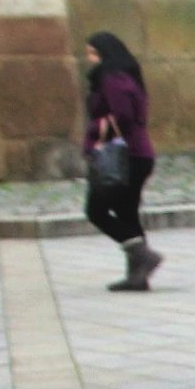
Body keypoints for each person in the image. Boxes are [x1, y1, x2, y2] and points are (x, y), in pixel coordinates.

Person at [81, 32, 162, 292]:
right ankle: (138, 275)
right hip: (139, 154)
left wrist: (99, 130)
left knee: (96, 210)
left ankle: (144, 256)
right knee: (127, 213)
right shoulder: (126, 76)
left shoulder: (111, 78)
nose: (89, 58)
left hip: (125, 157)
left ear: (104, 54)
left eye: (92, 53)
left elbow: (123, 115)